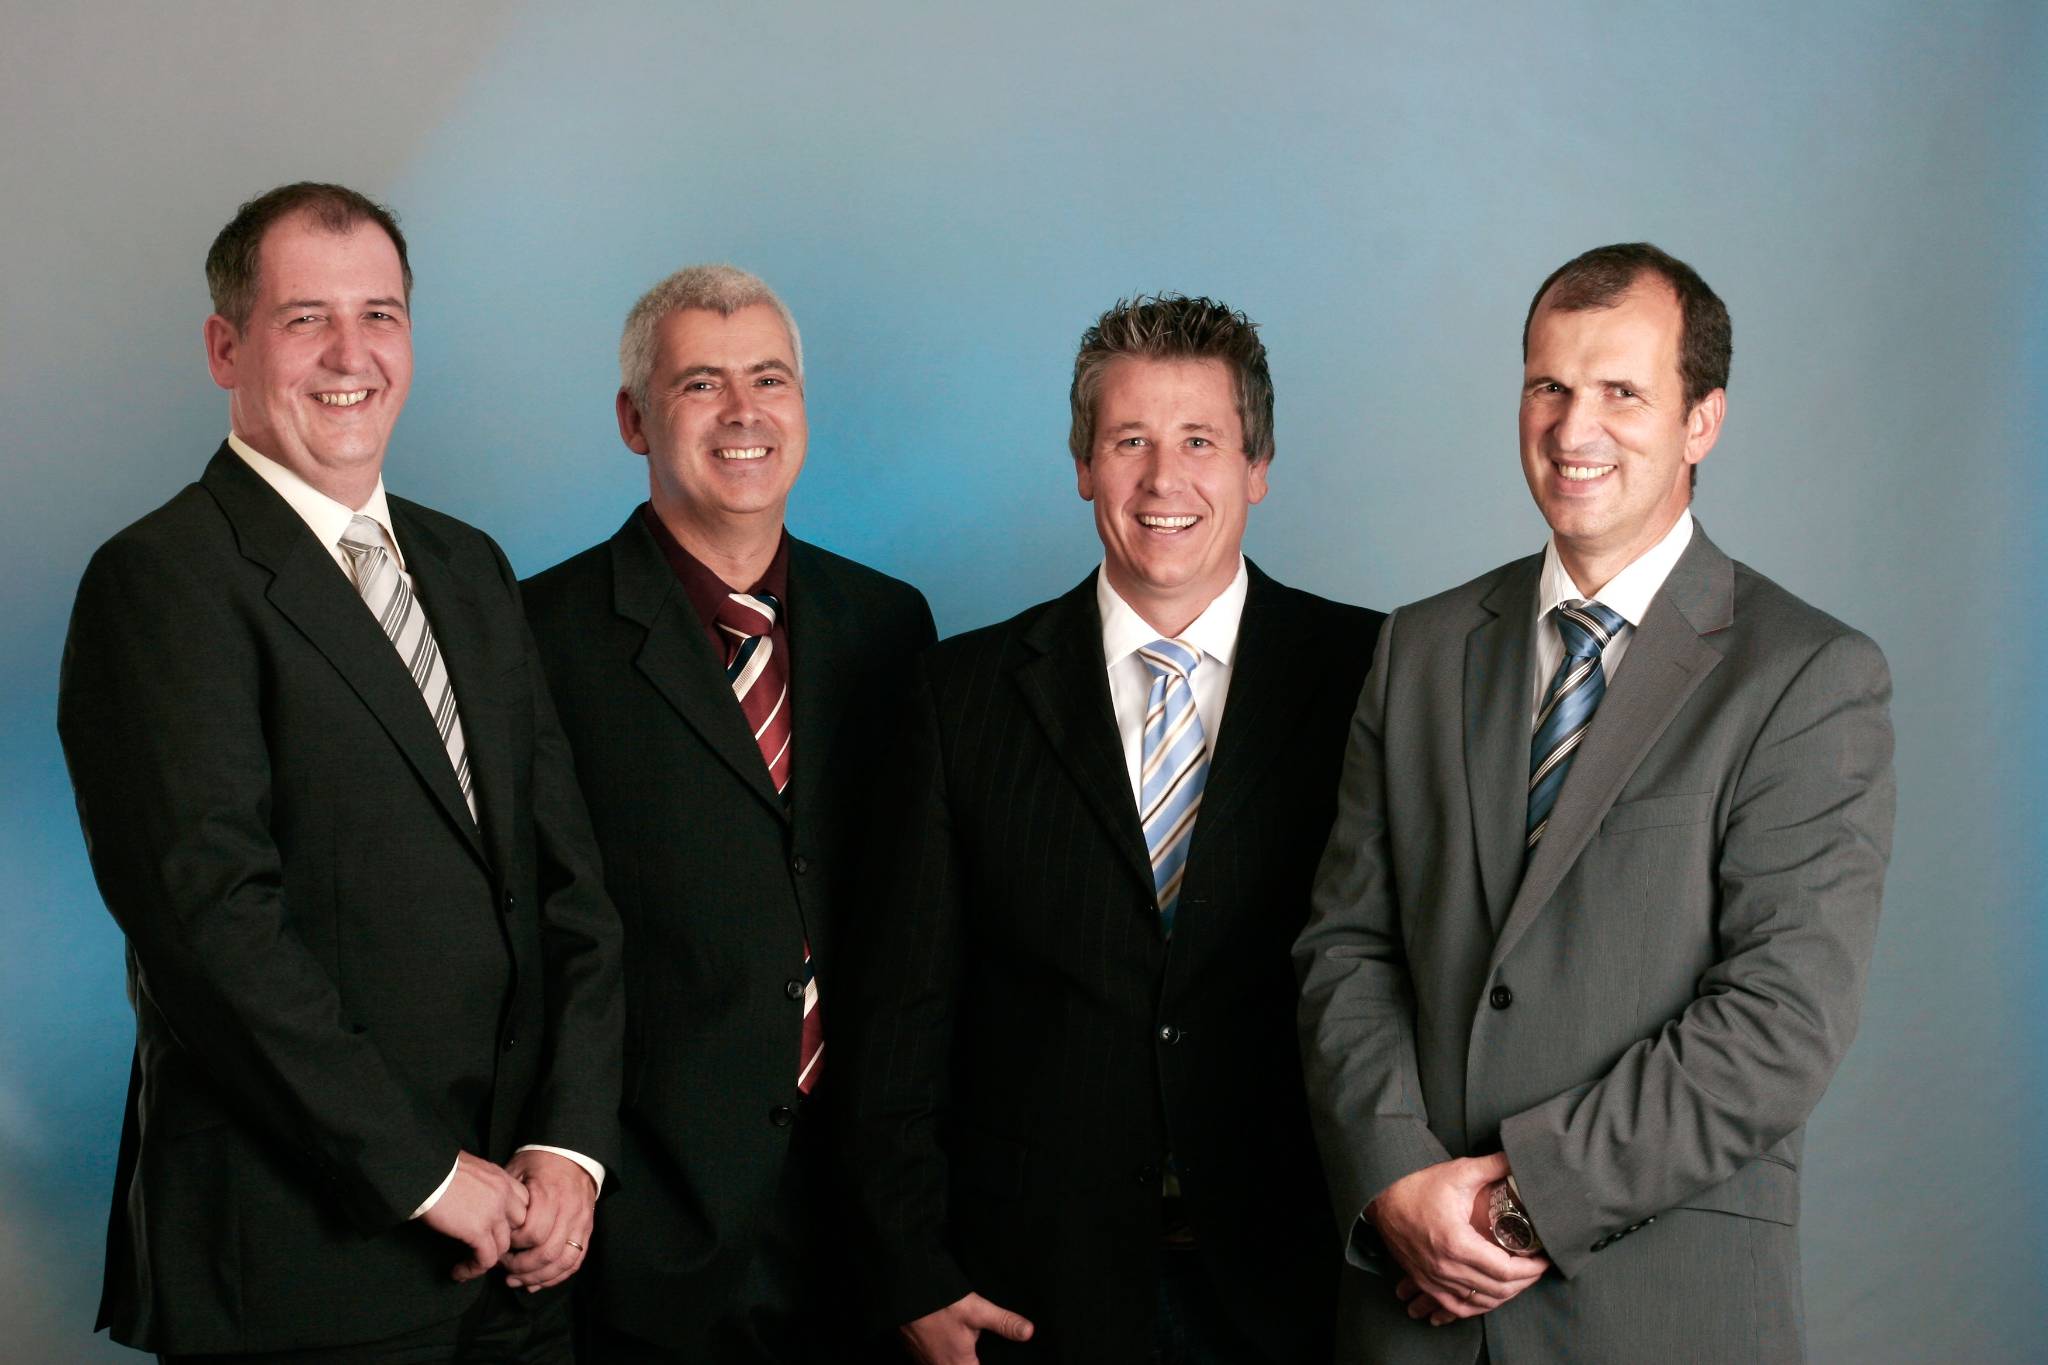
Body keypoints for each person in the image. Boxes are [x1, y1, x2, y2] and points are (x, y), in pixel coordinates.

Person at [1295, 242, 1895, 1363]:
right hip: (1409, 1309)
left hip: (1656, 1314)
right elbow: (1346, 946)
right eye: (1549, 386)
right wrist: (1394, 1181)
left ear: (1701, 420)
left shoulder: (1806, 675)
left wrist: (1516, 1208)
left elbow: (1778, 1022)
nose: (1575, 429)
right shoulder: (1419, 649)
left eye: (1622, 391)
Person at [56, 182, 623, 1362]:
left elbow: (565, 882)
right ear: (226, 348)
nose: (350, 354)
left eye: (381, 315)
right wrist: (425, 1174)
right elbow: (212, 930)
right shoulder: (162, 580)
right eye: (305, 317)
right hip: (306, 1265)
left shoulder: (468, 567)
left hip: (522, 1256)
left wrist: (567, 1146)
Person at [840, 294, 1382, 1363]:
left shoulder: (1372, 675)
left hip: (1301, 1283)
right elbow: (899, 1013)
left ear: (1258, 466)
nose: (1163, 478)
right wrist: (912, 1268)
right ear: (1084, 464)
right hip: (1033, 1292)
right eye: (1129, 440)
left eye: (1200, 441)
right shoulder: (960, 696)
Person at [521, 264, 935, 1362]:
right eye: (701, 383)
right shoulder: (538, 636)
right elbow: (527, 932)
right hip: (641, 1231)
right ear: (634, 420)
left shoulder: (890, 625)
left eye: (770, 379)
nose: (744, 411)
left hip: (859, 1232)